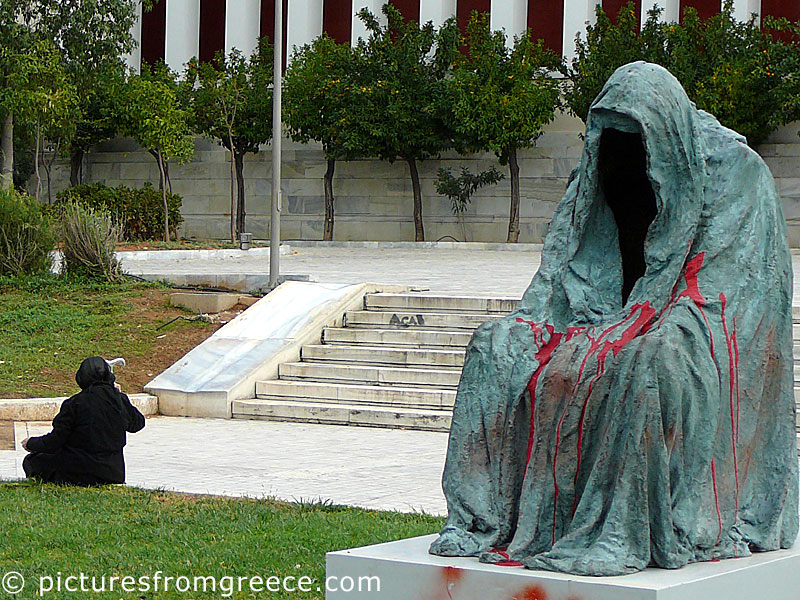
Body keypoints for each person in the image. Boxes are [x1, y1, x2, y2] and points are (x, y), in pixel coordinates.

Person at [429, 62, 799, 575]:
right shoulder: (599, 164)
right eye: (611, 137)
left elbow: (730, 295)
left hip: (698, 332)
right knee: (495, 346)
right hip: (605, 312)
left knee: (652, 361)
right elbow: (560, 270)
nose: (623, 157)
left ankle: (622, 529)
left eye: (637, 141)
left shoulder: (738, 174)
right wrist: (549, 325)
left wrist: (639, 328)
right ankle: (478, 520)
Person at [22, 356, 146, 486]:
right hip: (113, 473)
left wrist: (31, 443)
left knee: (32, 461)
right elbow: (137, 424)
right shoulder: (118, 400)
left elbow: (55, 440)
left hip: (78, 472)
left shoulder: (74, 404)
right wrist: (119, 396)